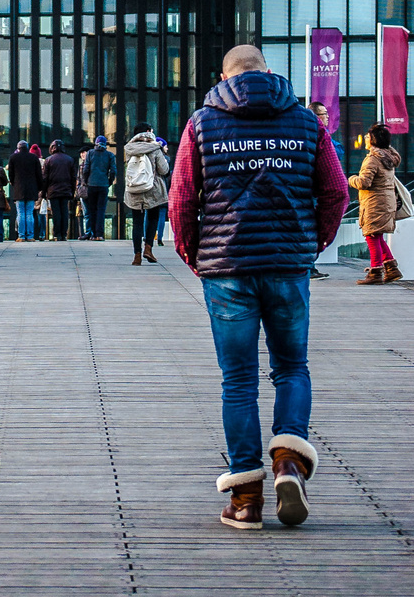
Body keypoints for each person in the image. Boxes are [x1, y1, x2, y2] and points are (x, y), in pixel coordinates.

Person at [169, 45, 348, 531]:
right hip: (288, 265)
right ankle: (289, 460)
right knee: (292, 367)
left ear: (223, 75)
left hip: (226, 267)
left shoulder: (204, 122)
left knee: (238, 379)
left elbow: (183, 198)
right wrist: (312, 243)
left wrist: (194, 254)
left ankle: (246, 500)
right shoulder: (306, 122)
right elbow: (336, 191)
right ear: (268, 72)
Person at [348, 124, 403, 285]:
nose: (365, 138)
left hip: (374, 203)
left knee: (371, 235)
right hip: (385, 202)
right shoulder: (388, 157)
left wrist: (351, 179)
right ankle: (392, 269)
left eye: (367, 136)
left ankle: (376, 272)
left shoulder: (372, 159)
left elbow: (364, 182)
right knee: (377, 235)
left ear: (373, 140)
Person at [306, 101, 344, 280]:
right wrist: (323, 238)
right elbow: (338, 191)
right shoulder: (318, 135)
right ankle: (309, 265)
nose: (327, 117)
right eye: (323, 114)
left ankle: (309, 264)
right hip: (313, 191)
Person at [123, 123, 170, 265]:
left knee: (137, 222)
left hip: (134, 188)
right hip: (152, 188)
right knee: (153, 218)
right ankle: (148, 248)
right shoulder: (155, 147)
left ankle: (137, 255)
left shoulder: (129, 148)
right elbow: (164, 169)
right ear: (149, 132)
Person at [8, 140, 43, 242]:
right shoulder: (34, 158)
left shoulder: (13, 158)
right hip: (31, 189)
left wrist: (14, 184)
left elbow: (11, 174)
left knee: (20, 213)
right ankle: (30, 236)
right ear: (27, 148)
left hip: (19, 189)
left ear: (18, 148)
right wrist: (39, 187)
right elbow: (39, 175)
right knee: (29, 213)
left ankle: (21, 236)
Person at [83, 135, 117, 240]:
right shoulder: (110, 155)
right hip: (103, 185)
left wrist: (86, 181)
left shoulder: (90, 153)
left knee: (92, 209)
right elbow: (113, 171)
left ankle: (93, 234)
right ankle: (100, 234)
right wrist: (109, 182)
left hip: (91, 185)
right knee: (101, 210)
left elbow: (85, 169)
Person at [43, 140, 77, 241]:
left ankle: (57, 234)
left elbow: (45, 178)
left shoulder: (48, 160)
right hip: (66, 190)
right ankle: (64, 234)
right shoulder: (69, 160)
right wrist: (72, 191)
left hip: (53, 190)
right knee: (65, 212)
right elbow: (73, 177)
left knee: (56, 213)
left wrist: (44, 192)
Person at [75, 149, 90, 240]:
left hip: (88, 189)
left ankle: (90, 232)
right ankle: (88, 232)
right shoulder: (81, 165)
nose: (82, 154)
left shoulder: (89, 164)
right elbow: (78, 178)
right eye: (81, 153)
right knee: (86, 213)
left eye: (84, 152)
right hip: (83, 191)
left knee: (89, 212)